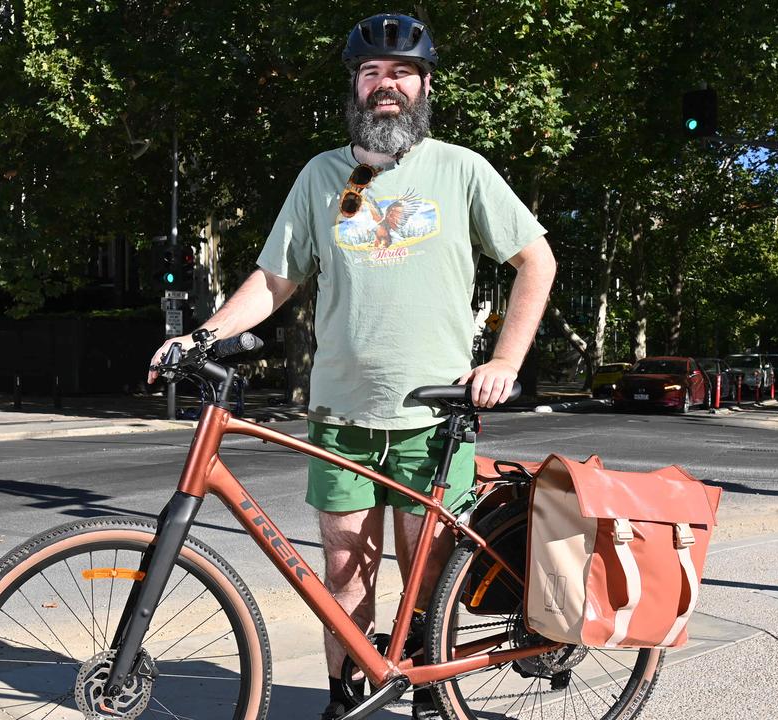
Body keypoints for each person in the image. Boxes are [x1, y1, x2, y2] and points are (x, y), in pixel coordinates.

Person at [147, 12, 556, 719]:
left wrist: (505, 361)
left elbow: (535, 260)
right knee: (344, 571)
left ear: (424, 85)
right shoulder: (320, 176)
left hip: (435, 415)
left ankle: (431, 697)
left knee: (425, 575)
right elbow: (274, 279)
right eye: (371, 73)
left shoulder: (461, 170)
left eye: (400, 73)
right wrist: (202, 336)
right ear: (355, 88)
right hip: (341, 414)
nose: (385, 85)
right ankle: (347, 700)